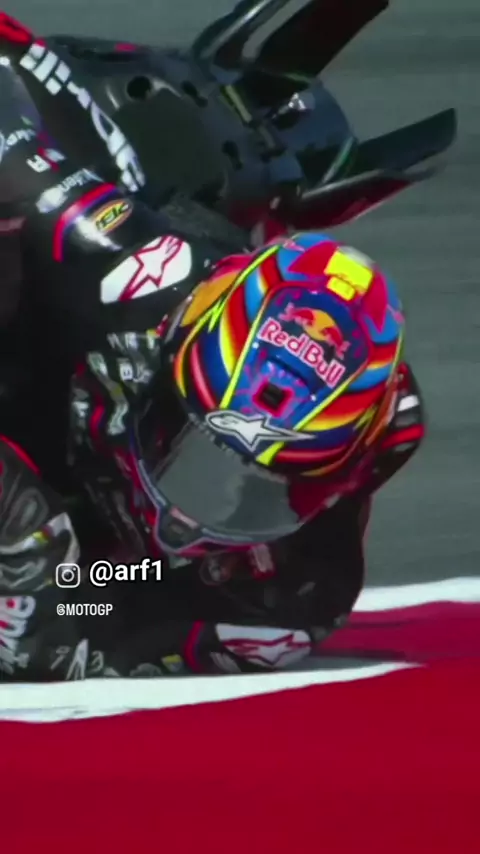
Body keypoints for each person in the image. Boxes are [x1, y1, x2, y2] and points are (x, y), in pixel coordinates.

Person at [0, 13, 425, 681]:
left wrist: (55, 587)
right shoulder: (112, 260)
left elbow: (102, 627)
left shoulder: (285, 597)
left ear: (332, 486)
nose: (186, 519)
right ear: (170, 358)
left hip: (77, 538)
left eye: (255, 497)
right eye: (187, 449)